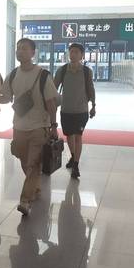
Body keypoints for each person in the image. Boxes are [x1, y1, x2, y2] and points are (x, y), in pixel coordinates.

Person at [0, 38, 60, 217]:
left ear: (33, 52)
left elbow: (51, 103)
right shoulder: (13, 74)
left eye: (24, 48)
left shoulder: (43, 75)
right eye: (18, 48)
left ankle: (25, 200)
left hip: (39, 126)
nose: (19, 51)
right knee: (24, 161)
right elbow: (6, 97)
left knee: (33, 163)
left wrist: (54, 125)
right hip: (19, 127)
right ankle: (35, 187)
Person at [53, 43, 96, 180]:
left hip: (81, 110)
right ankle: (73, 156)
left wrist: (93, 105)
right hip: (66, 109)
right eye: (71, 51)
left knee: (78, 136)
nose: (73, 54)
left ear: (82, 55)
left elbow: (91, 88)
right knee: (69, 136)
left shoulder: (87, 71)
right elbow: (53, 87)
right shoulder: (62, 70)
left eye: (76, 52)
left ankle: (76, 165)